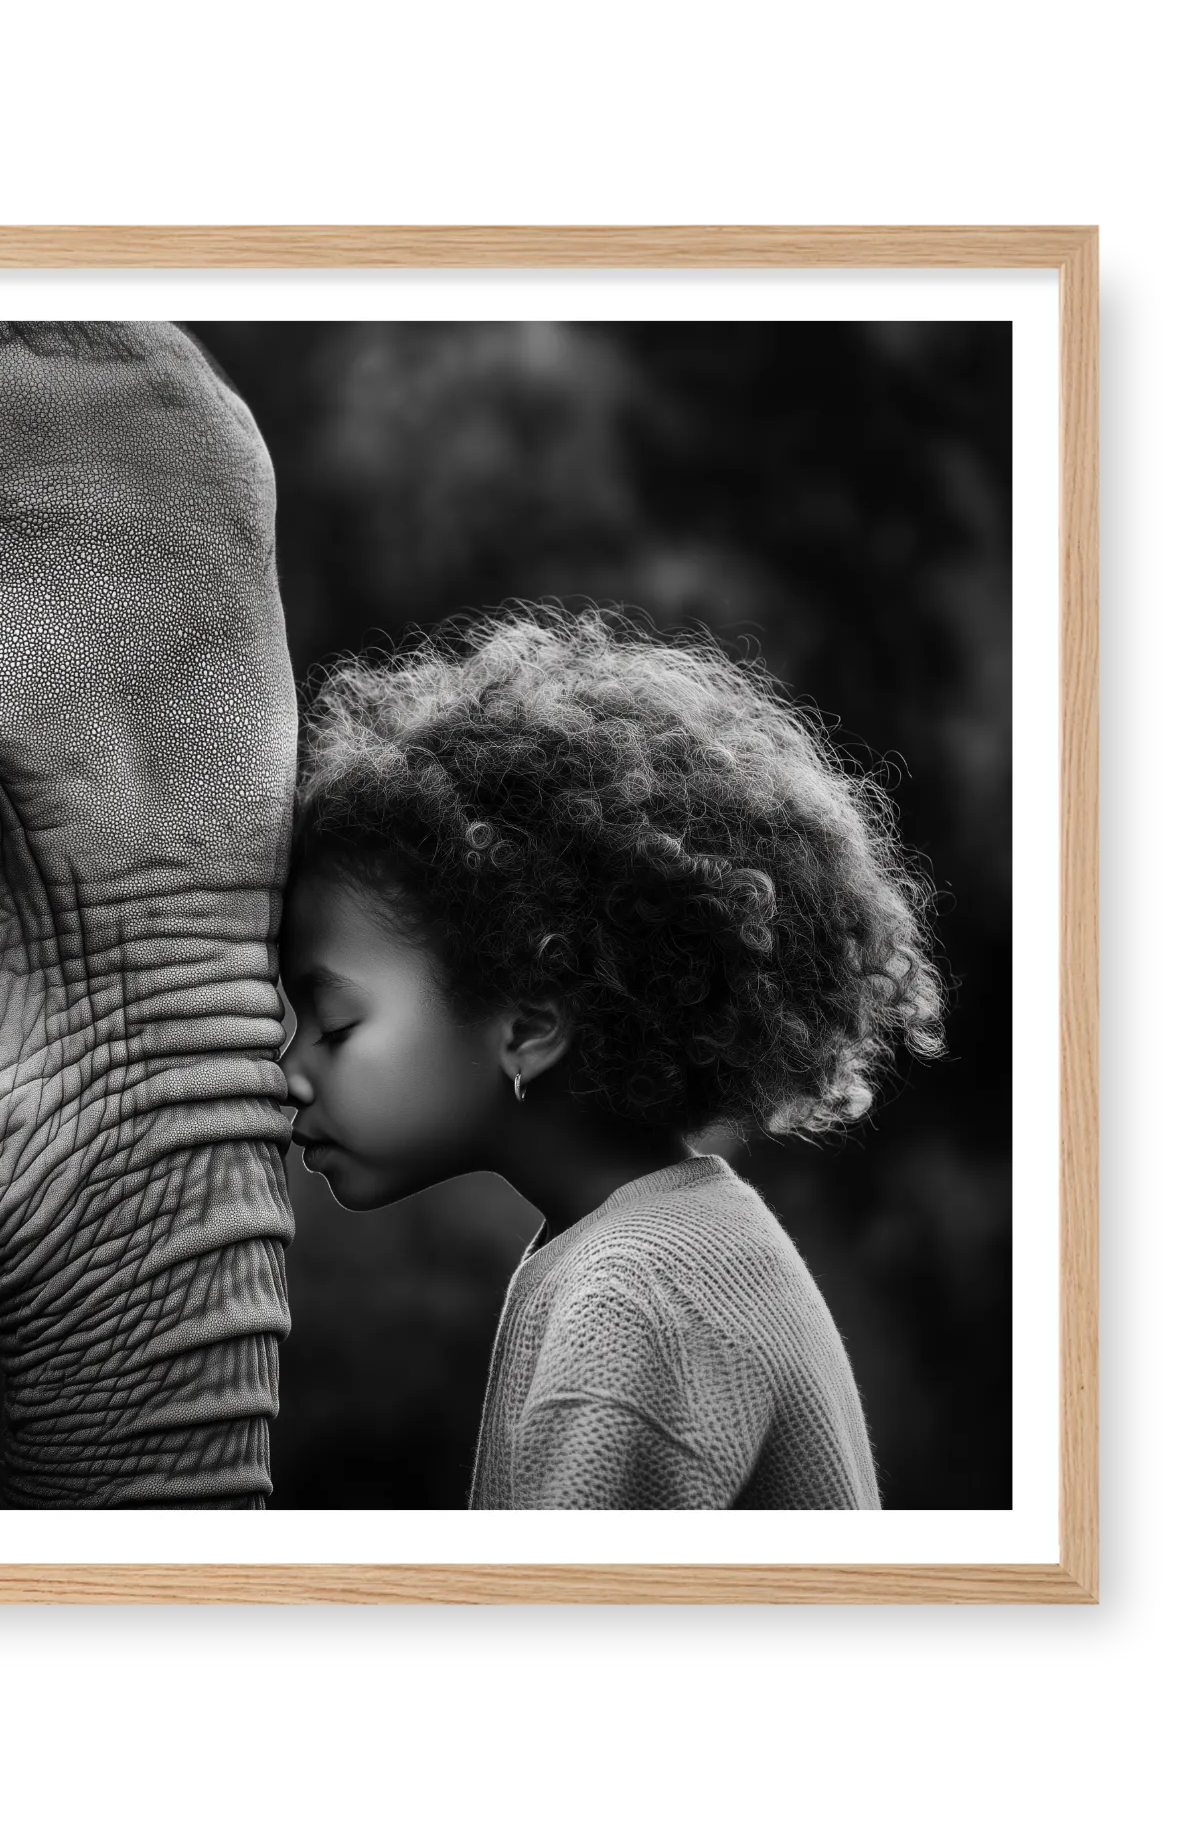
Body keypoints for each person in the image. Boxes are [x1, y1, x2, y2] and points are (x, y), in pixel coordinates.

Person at [278, 602, 946, 1509]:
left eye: (334, 1024)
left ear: (527, 1029)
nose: (289, 1072)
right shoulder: (662, 1245)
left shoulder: (630, 1301)